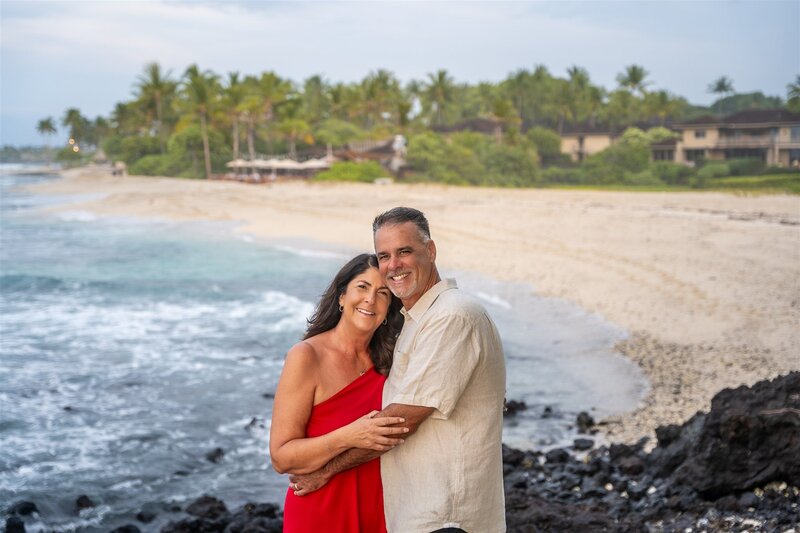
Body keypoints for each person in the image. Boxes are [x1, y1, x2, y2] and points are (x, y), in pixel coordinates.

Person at [290, 207, 507, 533]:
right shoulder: (416, 320)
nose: (394, 265)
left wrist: (326, 470)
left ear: (430, 251)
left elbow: (399, 421)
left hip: (446, 516)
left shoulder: (452, 316)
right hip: (421, 511)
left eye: (405, 251)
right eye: (384, 256)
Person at [269, 253, 407, 532]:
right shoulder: (306, 356)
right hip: (319, 508)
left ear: (387, 309)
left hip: (381, 507)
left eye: (382, 293)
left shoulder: (391, 361)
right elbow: (281, 457)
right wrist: (348, 435)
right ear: (342, 297)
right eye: (362, 287)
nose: (370, 299)